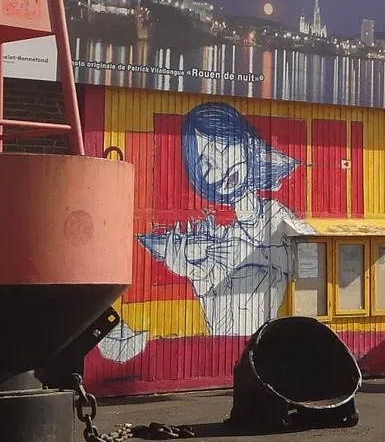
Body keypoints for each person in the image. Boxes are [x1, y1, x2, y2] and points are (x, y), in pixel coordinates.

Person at [98, 102, 310, 362]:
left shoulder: (276, 216)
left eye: (224, 147)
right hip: (225, 353)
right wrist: (195, 271)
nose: (220, 167)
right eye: (206, 163)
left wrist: (251, 254)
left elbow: (311, 262)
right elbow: (217, 316)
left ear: (245, 141)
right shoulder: (220, 236)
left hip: (266, 352)